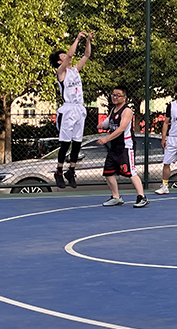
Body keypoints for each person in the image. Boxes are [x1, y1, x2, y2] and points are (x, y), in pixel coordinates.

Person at [49, 31, 92, 189]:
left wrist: (88, 41)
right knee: (65, 143)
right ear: (59, 61)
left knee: (77, 143)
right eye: (63, 56)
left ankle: (71, 170)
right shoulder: (61, 73)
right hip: (68, 110)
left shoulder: (75, 70)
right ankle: (59, 171)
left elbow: (86, 55)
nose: (67, 57)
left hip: (79, 109)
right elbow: (70, 54)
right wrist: (77, 38)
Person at [97, 85, 149, 208]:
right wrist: (101, 125)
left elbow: (121, 128)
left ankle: (142, 196)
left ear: (124, 97)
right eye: (113, 95)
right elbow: (108, 122)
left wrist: (106, 139)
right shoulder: (113, 110)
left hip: (125, 146)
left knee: (131, 172)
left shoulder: (127, 111)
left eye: (118, 95)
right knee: (108, 172)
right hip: (114, 147)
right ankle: (116, 197)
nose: (115, 97)